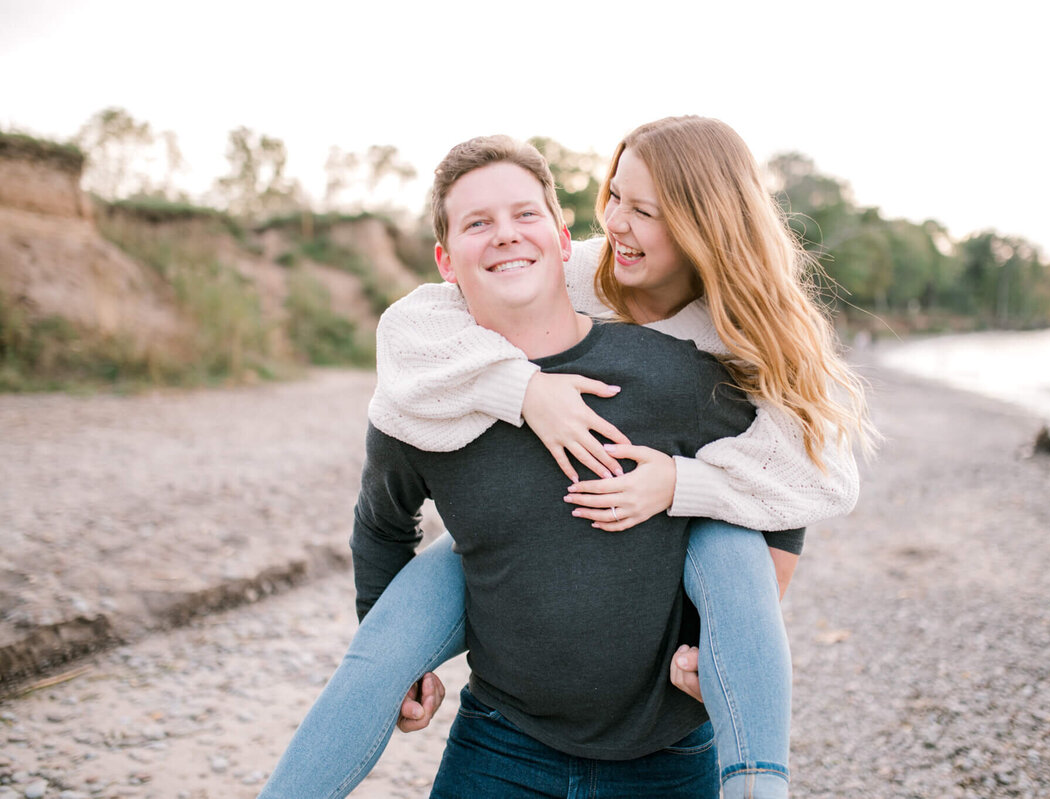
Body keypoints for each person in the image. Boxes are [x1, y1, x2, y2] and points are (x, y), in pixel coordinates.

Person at [260, 118, 872, 798]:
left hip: (665, 732)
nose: (615, 223)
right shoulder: (575, 272)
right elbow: (409, 336)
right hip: (506, 722)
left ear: (704, 227)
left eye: (645, 211)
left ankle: (759, 781)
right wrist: (523, 390)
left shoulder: (710, 354)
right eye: (614, 197)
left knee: (728, 532)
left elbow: (796, 481)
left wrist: (684, 494)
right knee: (394, 633)